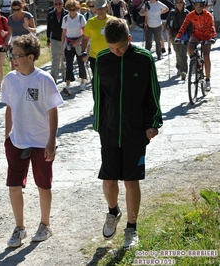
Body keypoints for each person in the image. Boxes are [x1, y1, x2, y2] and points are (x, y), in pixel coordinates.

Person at [93, 18, 163, 250]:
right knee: (109, 179)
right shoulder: (102, 59)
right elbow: (98, 96)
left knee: (131, 181)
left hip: (135, 131)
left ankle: (132, 228)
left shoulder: (144, 58)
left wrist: (154, 123)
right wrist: (99, 124)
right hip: (110, 130)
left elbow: (153, 91)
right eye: (112, 48)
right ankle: (113, 212)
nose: (117, 52)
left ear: (129, 39)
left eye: (120, 48)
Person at [1, 34, 64, 248]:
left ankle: (45, 224)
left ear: (30, 57)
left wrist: (51, 140)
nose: (13, 59)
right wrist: (7, 135)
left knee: (43, 185)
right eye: (12, 54)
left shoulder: (44, 79)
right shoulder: (10, 79)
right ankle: (19, 228)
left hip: (40, 142)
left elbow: (52, 111)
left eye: (17, 55)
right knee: (14, 186)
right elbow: (9, 107)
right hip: (17, 141)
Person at [175, 0, 216, 91]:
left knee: (206, 55)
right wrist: (178, 37)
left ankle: (208, 80)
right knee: (189, 47)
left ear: (204, 6)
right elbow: (184, 26)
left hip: (207, 35)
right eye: (196, 5)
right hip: (196, 35)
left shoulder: (208, 15)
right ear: (193, 6)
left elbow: (212, 26)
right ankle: (195, 63)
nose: (198, 7)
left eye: (200, 5)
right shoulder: (190, 15)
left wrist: (213, 37)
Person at [82, 0, 114, 93]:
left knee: (110, 81)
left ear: (106, 7)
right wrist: (84, 51)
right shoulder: (90, 22)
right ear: (95, 8)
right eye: (98, 8)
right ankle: (98, 103)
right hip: (95, 57)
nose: (100, 10)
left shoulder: (112, 21)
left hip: (111, 56)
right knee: (97, 81)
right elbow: (85, 39)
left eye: (102, 8)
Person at [61, 0, 87, 95]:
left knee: (81, 63)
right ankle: (68, 84)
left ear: (77, 9)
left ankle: (83, 82)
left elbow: (85, 33)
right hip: (69, 42)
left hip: (78, 42)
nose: (72, 11)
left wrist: (79, 41)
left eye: (74, 9)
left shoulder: (81, 18)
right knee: (69, 64)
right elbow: (63, 33)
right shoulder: (65, 18)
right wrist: (62, 47)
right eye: (70, 9)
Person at [3, 0, 36, 70]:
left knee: (26, 64)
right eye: (14, 9)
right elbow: (9, 33)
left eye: (18, 9)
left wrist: (27, 27)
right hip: (15, 42)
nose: (16, 11)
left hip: (26, 42)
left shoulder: (28, 16)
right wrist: (6, 42)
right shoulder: (10, 18)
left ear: (22, 7)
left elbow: (34, 30)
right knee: (13, 64)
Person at [165, 0, 190, 80]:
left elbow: (191, 25)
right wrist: (168, 27)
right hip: (174, 35)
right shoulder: (172, 13)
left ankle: (184, 71)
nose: (179, 4)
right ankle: (179, 67)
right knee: (177, 52)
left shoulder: (187, 13)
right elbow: (167, 24)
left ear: (183, 3)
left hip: (184, 35)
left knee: (183, 52)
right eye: (177, 2)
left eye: (180, 2)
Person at [46, 0, 68, 84]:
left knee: (63, 59)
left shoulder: (67, 14)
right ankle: (53, 79)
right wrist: (48, 39)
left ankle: (65, 76)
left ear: (63, 4)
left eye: (60, 4)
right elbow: (48, 26)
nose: (58, 5)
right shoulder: (51, 14)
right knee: (55, 59)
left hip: (65, 39)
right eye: (56, 4)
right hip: (54, 39)